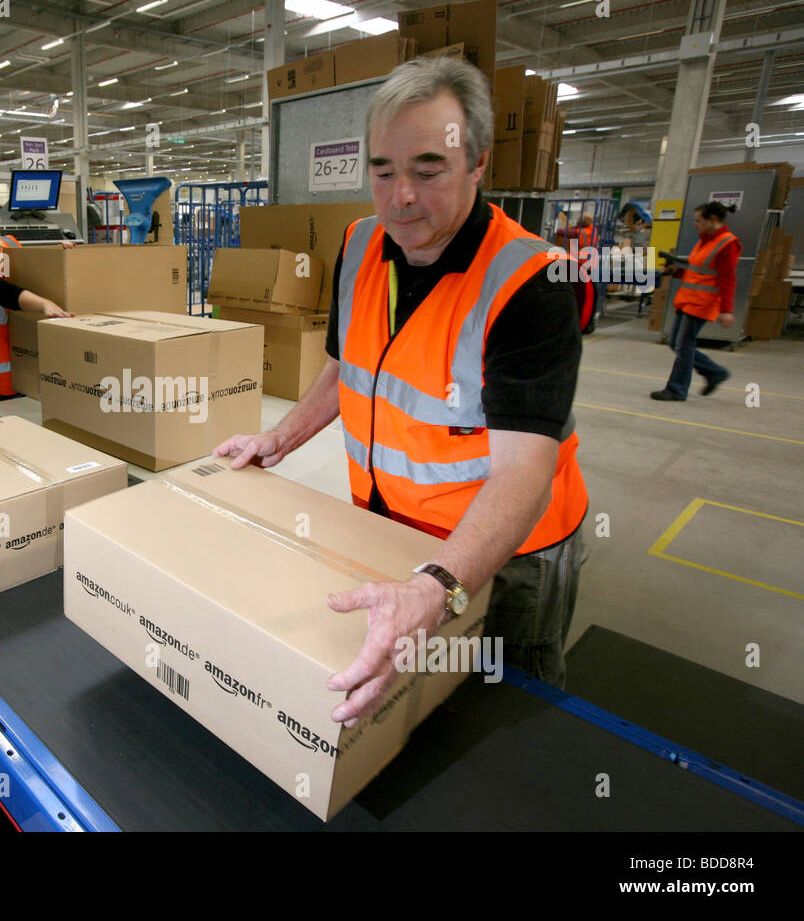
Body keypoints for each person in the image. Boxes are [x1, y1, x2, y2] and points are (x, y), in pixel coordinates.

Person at [214, 56, 589, 725]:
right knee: (411, 716)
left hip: (510, 553)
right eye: (383, 170)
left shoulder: (532, 284)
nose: (400, 197)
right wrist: (280, 437)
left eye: (427, 170)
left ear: (477, 162)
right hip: (389, 533)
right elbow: (345, 368)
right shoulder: (360, 244)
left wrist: (439, 586)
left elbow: (523, 474)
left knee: (509, 714)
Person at [0, 190, 72, 401]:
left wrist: (59, 253)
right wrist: (44, 304)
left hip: (31, 364)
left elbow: (35, 270)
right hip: (2, 378)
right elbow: (5, 292)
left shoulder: (11, 247)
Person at [650, 202, 739, 401]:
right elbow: (699, 270)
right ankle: (715, 372)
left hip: (702, 303)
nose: (695, 224)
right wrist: (677, 271)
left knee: (684, 346)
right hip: (689, 299)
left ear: (712, 220)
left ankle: (676, 389)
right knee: (676, 344)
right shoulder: (705, 241)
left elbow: (727, 279)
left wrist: (726, 309)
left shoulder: (727, 244)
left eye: (698, 220)